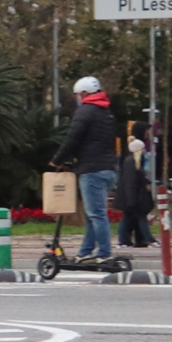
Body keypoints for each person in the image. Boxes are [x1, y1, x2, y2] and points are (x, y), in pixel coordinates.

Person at [49, 75, 118, 259]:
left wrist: (57, 159)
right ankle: (86, 251)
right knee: (91, 214)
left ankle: (104, 253)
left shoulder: (85, 111)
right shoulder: (107, 112)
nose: (78, 99)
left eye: (79, 95)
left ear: (84, 93)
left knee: (97, 215)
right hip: (108, 169)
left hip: (92, 169)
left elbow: (73, 138)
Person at [114, 144, 155, 248]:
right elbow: (130, 182)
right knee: (141, 218)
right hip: (133, 198)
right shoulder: (131, 162)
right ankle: (149, 239)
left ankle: (123, 241)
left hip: (131, 197)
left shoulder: (132, 162)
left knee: (127, 218)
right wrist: (131, 200)